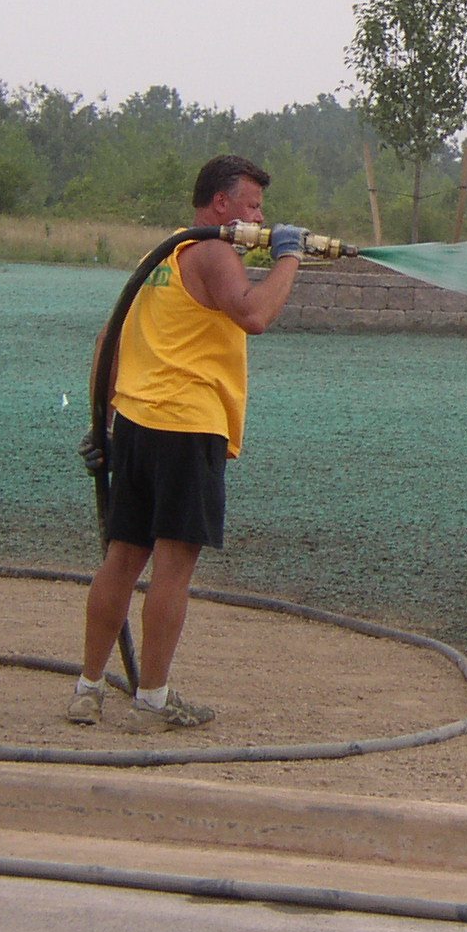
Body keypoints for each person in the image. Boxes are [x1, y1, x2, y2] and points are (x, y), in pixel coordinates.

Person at [68, 154, 304, 728]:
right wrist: (290, 259)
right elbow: (254, 316)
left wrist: (101, 422)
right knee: (172, 569)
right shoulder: (213, 252)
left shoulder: (168, 252)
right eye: (252, 205)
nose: (260, 216)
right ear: (220, 205)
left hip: (137, 422)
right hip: (187, 425)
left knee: (121, 559)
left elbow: (108, 336)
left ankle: (88, 688)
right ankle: (152, 699)